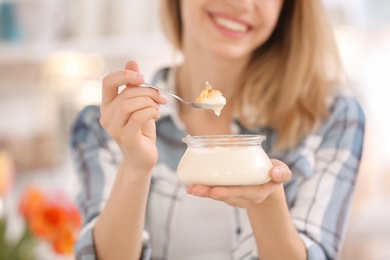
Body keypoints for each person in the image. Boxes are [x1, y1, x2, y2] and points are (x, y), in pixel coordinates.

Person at [70, 0, 365, 259]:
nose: (241, 2)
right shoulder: (111, 123)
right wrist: (134, 166)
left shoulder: (332, 116)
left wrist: (267, 203)